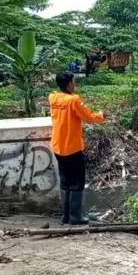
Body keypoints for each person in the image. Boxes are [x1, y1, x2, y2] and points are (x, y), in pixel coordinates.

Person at [48, 71, 104, 225]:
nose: (75, 84)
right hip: (72, 147)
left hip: (58, 146)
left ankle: (65, 216)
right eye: (73, 81)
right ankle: (76, 216)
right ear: (68, 84)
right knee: (77, 181)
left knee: (65, 180)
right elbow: (88, 117)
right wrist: (100, 115)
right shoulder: (73, 100)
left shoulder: (53, 97)